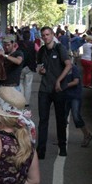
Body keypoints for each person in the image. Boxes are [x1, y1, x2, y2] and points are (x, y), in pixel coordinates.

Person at [36, 26, 72, 159]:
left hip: (58, 89)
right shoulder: (42, 50)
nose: (45, 37)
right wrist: (41, 71)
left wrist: (59, 80)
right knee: (43, 120)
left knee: (60, 119)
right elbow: (40, 66)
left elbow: (68, 65)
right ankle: (41, 150)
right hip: (44, 89)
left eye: (47, 34)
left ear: (52, 35)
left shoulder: (59, 48)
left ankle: (62, 147)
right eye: (43, 35)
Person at [64, 63, 92, 147]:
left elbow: (76, 81)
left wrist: (64, 85)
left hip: (75, 96)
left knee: (76, 116)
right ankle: (61, 137)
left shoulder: (73, 68)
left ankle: (87, 134)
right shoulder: (60, 68)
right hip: (65, 95)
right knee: (63, 116)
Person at [17, 29, 37, 107]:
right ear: (29, 36)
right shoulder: (33, 44)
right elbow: (38, 51)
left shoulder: (18, 44)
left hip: (20, 66)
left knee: (20, 83)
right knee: (28, 84)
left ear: (22, 36)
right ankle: (26, 102)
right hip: (30, 67)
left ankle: (21, 100)